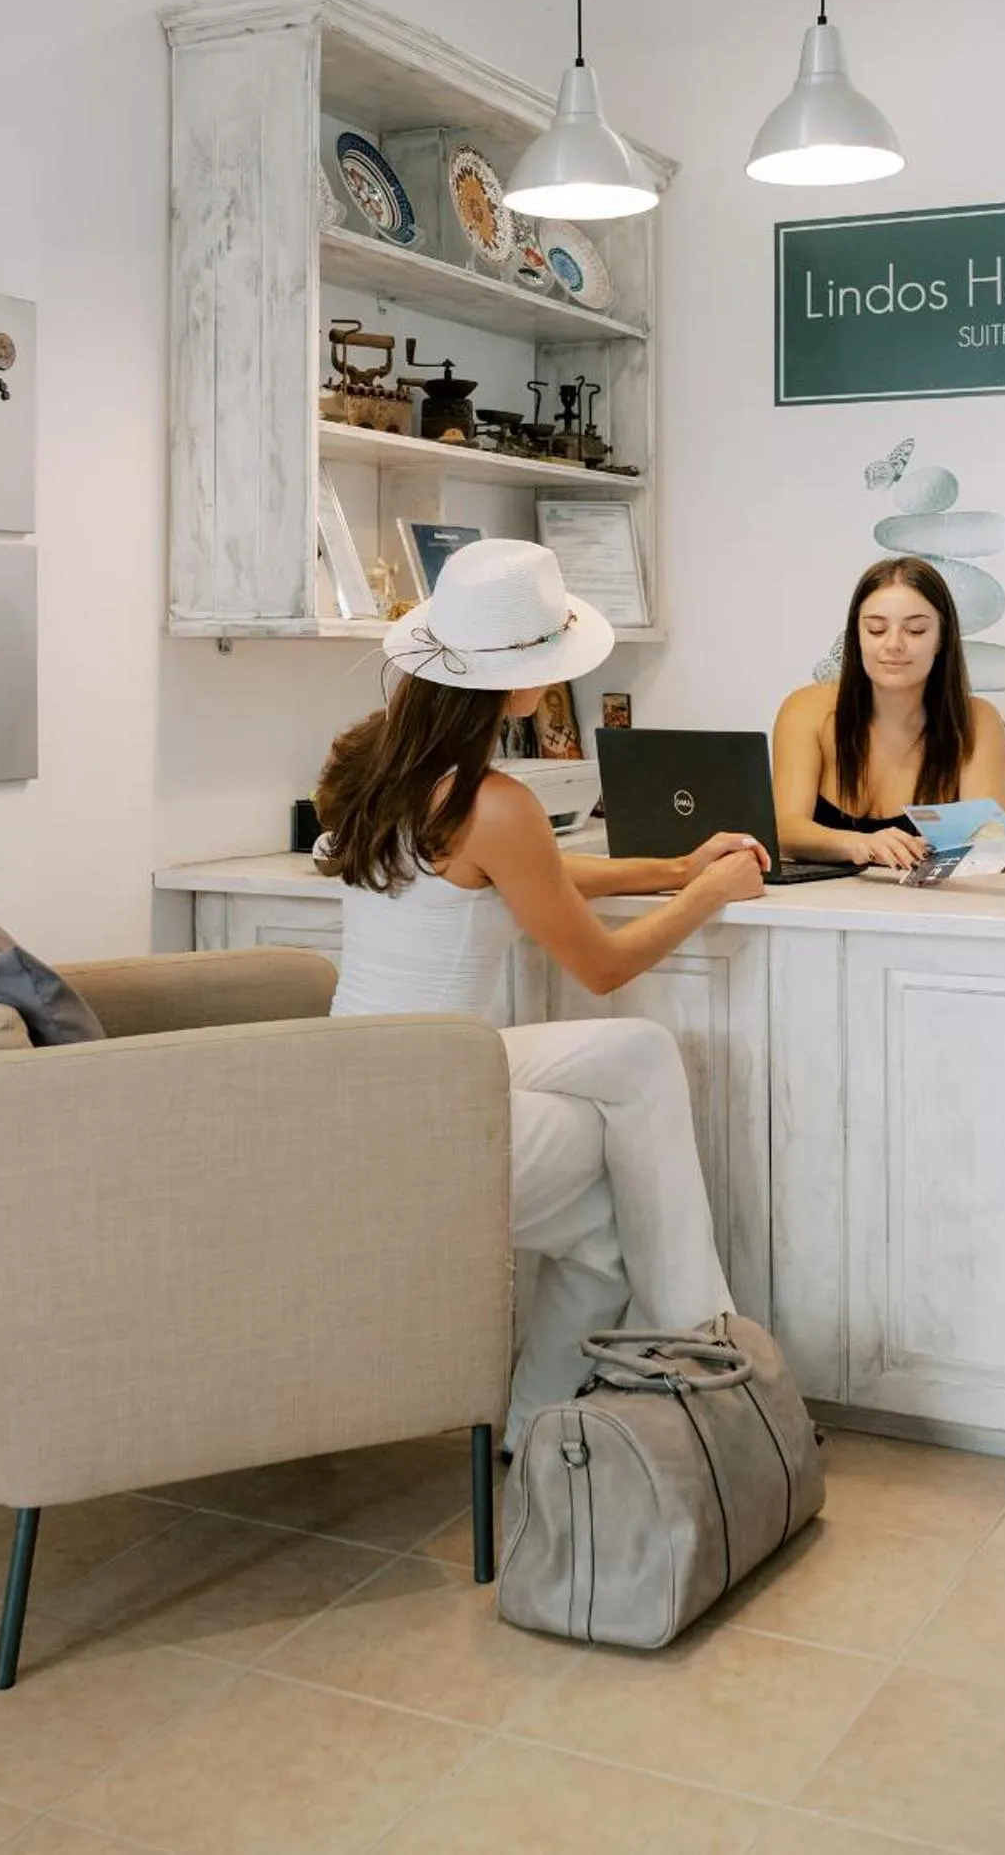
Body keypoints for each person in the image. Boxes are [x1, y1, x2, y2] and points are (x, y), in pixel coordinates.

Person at [314, 537, 766, 1444]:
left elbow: (527, 878)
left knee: (637, 1057)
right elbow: (599, 966)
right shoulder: (494, 802)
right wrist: (710, 892)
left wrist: (676, 866)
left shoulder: (371, 767)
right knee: (607, 1216)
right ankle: (682, 1339)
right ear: (523, 681)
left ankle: (672, 1333)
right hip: (428, 1103)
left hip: (352, 1076)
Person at [773, 555, 1005, 871]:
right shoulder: (806, 710)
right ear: (856, 635)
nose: (894, 644)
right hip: (824, 907)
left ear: (941, 638)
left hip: (928, 912)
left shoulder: (976, 721)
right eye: (876, 630)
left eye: (915, 631)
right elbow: (784, 829)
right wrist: (859, 844)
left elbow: (990, 842)